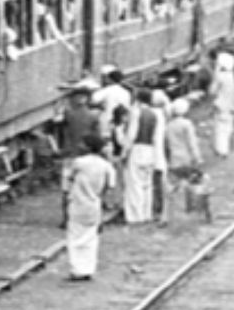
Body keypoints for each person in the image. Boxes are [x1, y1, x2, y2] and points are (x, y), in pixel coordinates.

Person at [62, 134, 117, 281]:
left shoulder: (79, 163)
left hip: (78, 203)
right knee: (91, 238)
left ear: (87, 147)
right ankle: (88, 269)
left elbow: (68, 178)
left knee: (74, 237)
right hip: (94, 204)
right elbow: (110, 186)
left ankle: (77, 269)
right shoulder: (106, 166)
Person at [123, 89, 164, 225]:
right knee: (147, 184)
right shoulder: (155, 114)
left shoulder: (136, 112)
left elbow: (132, 134)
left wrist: (125, 151)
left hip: (137, 148)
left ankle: (135, 216)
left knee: (135, 184)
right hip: (150, 149)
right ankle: (147, 214)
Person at [163, 98, 202, 225]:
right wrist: (197, 158)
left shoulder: (169, 125)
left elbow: (166, 143)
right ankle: (191, 208)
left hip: (174, 159)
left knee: (172, 186)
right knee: (191, 183)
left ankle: (168, 214)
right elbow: (192, 143)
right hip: (186, 158)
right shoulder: (187, 124)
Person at [209, 51, 234, 157]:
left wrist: (215, 75)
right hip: (230, 105)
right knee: (227, 128)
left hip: (220, 105)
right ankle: (225, 149)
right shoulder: (231, 76)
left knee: (219, 129)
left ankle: (221, 150)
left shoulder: (220, 76)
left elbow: (212, 91)